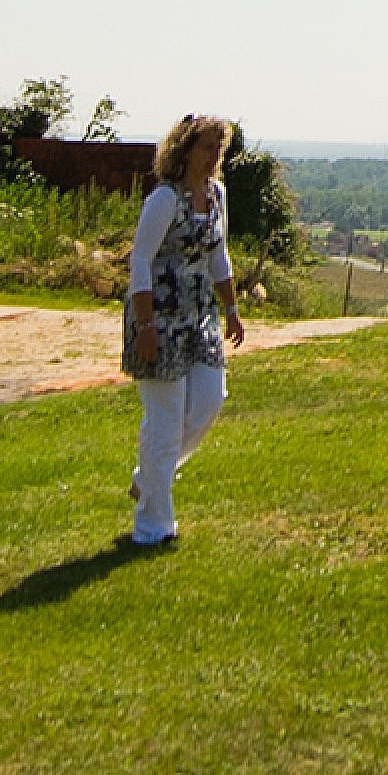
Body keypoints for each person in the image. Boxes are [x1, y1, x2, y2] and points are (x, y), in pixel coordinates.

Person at [121, 112, 250, 552]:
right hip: (158, 316)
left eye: (220, 148)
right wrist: (145, 325)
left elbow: (219, 254)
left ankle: (148, 478)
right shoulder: (163, 199)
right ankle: (153, 525)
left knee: (210, 400)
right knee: (164, 419)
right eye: (206, 147)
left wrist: (231, 308)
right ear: (185, 150)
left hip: (200, 317)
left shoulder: (216, 196)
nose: (214, 156)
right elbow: (140, 260)